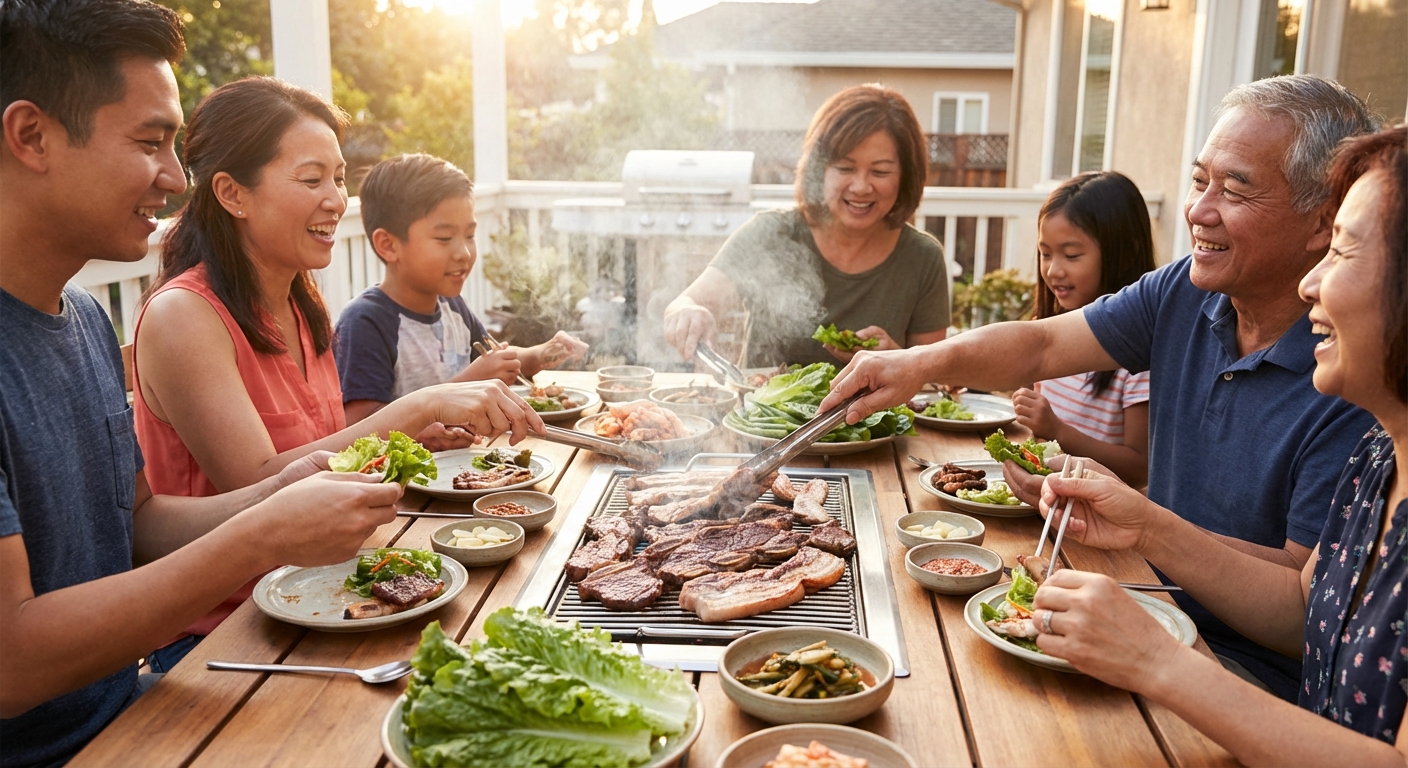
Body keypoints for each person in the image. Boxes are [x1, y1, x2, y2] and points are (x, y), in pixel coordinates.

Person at [821, 75, 1382, 699]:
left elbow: (1298, 614)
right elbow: (1041, 343)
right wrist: (918, 365)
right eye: (1200, 181)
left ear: (1322, 221)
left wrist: (1146, 524)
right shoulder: (1183, 292)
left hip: (1237, 678)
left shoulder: (1353, 379)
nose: (1198, 211)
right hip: (1134, 599)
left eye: (1236, 190)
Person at [0, 2, 400, 764]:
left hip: (131, 708)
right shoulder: (180, 312)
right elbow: (11, 665)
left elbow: (139, 524)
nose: (175, 178)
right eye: (150, 143)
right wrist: (266, 530)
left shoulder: (82, 319)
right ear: (32, 136)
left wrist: (282, 492)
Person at [130, 79, 543, 668]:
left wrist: (405, 442)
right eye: (311, 179)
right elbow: (267, 485)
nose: (335, 199)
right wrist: (420, 405)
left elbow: (329, 458)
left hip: (328, 594)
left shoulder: (299, 299)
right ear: (232, 193)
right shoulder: (185, 316)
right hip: (225, 638)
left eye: (340, 178)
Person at [1028, 124, 1407, 763]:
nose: (1311, 285)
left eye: (1341, 253)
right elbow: (1301, 615)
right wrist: (1143, 525)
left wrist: (1156, 661)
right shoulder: (1379, 457)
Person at [663, 84, 950, 368]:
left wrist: (896, 360)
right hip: (765, 413)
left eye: (880, 171)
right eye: (845, 168)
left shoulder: (923, 257)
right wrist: (688, 312)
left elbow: (935, 380)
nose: (861, 186)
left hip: (878, 414)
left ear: (906, 177)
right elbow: (685, 302)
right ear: (819, 169)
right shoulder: (771, 233)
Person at [334, 153, 588, 428]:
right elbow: (359, 427)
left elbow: (495, 360)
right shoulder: (365, 322)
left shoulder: (451, 307)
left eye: (469, 236)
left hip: (468, 462)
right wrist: (472, 379)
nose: (464, 253)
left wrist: (541, 354)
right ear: (389, 245)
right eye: (444, 238)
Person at [1012, 171, 1156, 487]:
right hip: (1048, 499)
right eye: (1045, 254)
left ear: (1126, 252)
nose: (1053, 270)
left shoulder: (1139, 357)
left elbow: (1139, 468)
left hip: (1099, 515)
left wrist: (1058, 430)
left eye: (1072, 255)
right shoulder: (1052, 330)